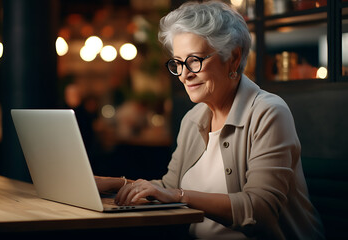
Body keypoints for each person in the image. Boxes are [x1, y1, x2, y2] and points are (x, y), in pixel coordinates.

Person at [95, 1, 325, 239]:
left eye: (195, 60)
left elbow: (260, 209)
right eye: (178, 63)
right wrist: (114, 184)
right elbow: (167, 188)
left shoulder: (269, 112)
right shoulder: (193, 119)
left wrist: (179, 195)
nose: (185, 74)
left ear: (233, 58)